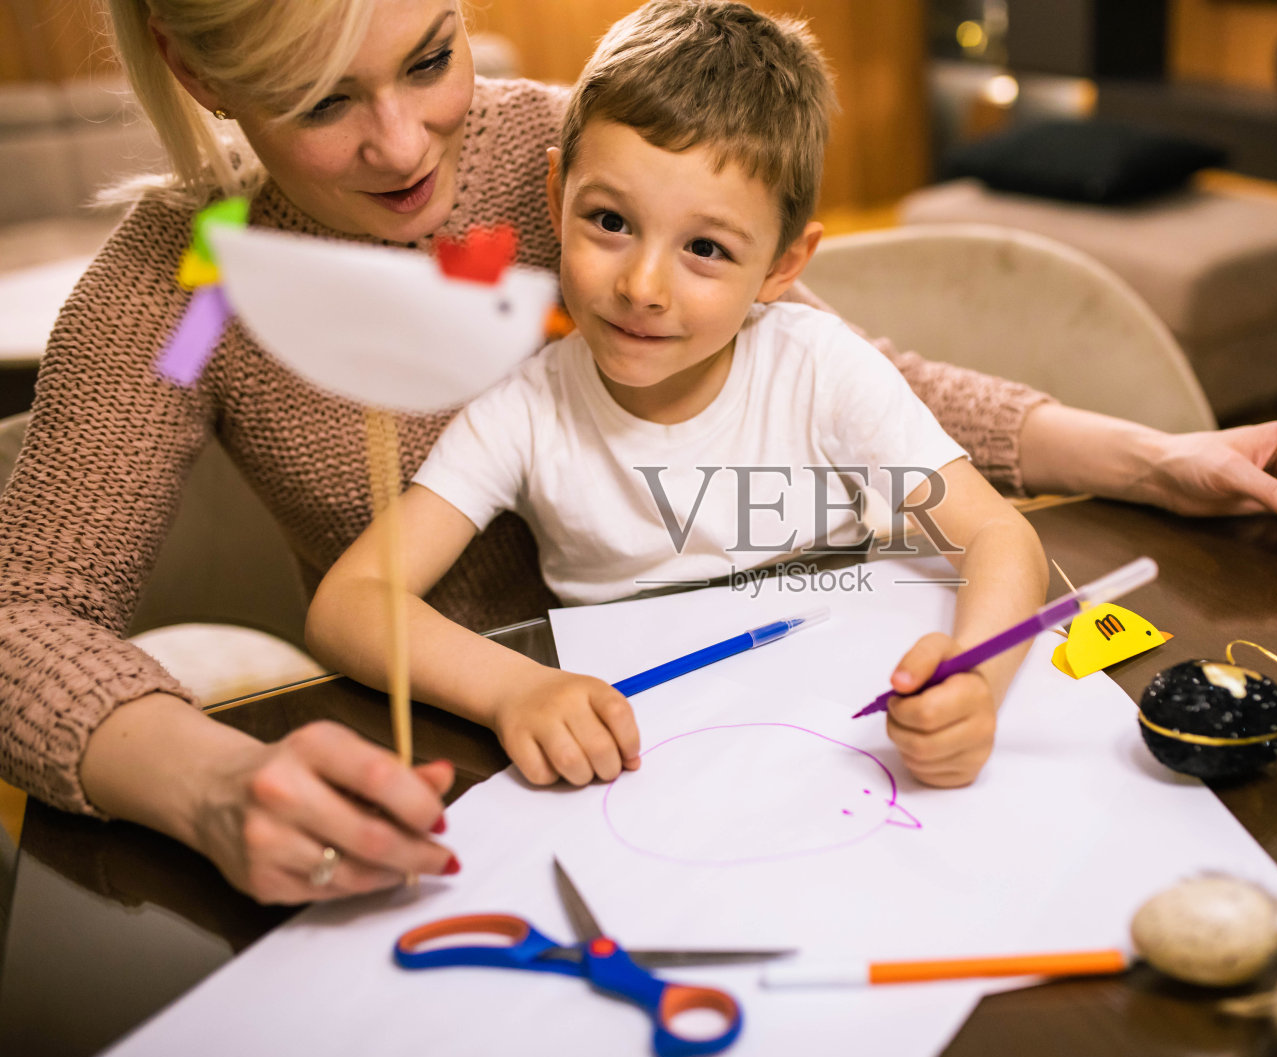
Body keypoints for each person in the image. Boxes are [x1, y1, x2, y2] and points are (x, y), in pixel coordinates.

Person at [0, 0, 1277, 906]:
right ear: (202, 73)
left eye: (428, 54)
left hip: (764, 718)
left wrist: (1151, 458)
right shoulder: (199, 288)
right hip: (481, 775)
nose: (406, 145)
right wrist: (213, 780)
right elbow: (26, 613)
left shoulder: (554, 153)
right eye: (314, 99)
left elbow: (842, 374)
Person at [306, 0, 1049, 795]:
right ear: (558, 196)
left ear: (781, 265)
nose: (643, 287)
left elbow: (1000, 538)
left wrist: (975, 683)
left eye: (705, 248)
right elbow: (348, 605)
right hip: (644, 768)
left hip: (846, 741)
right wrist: (512, 688)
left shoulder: (822, 369)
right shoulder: (522, 413)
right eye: (610, 221)